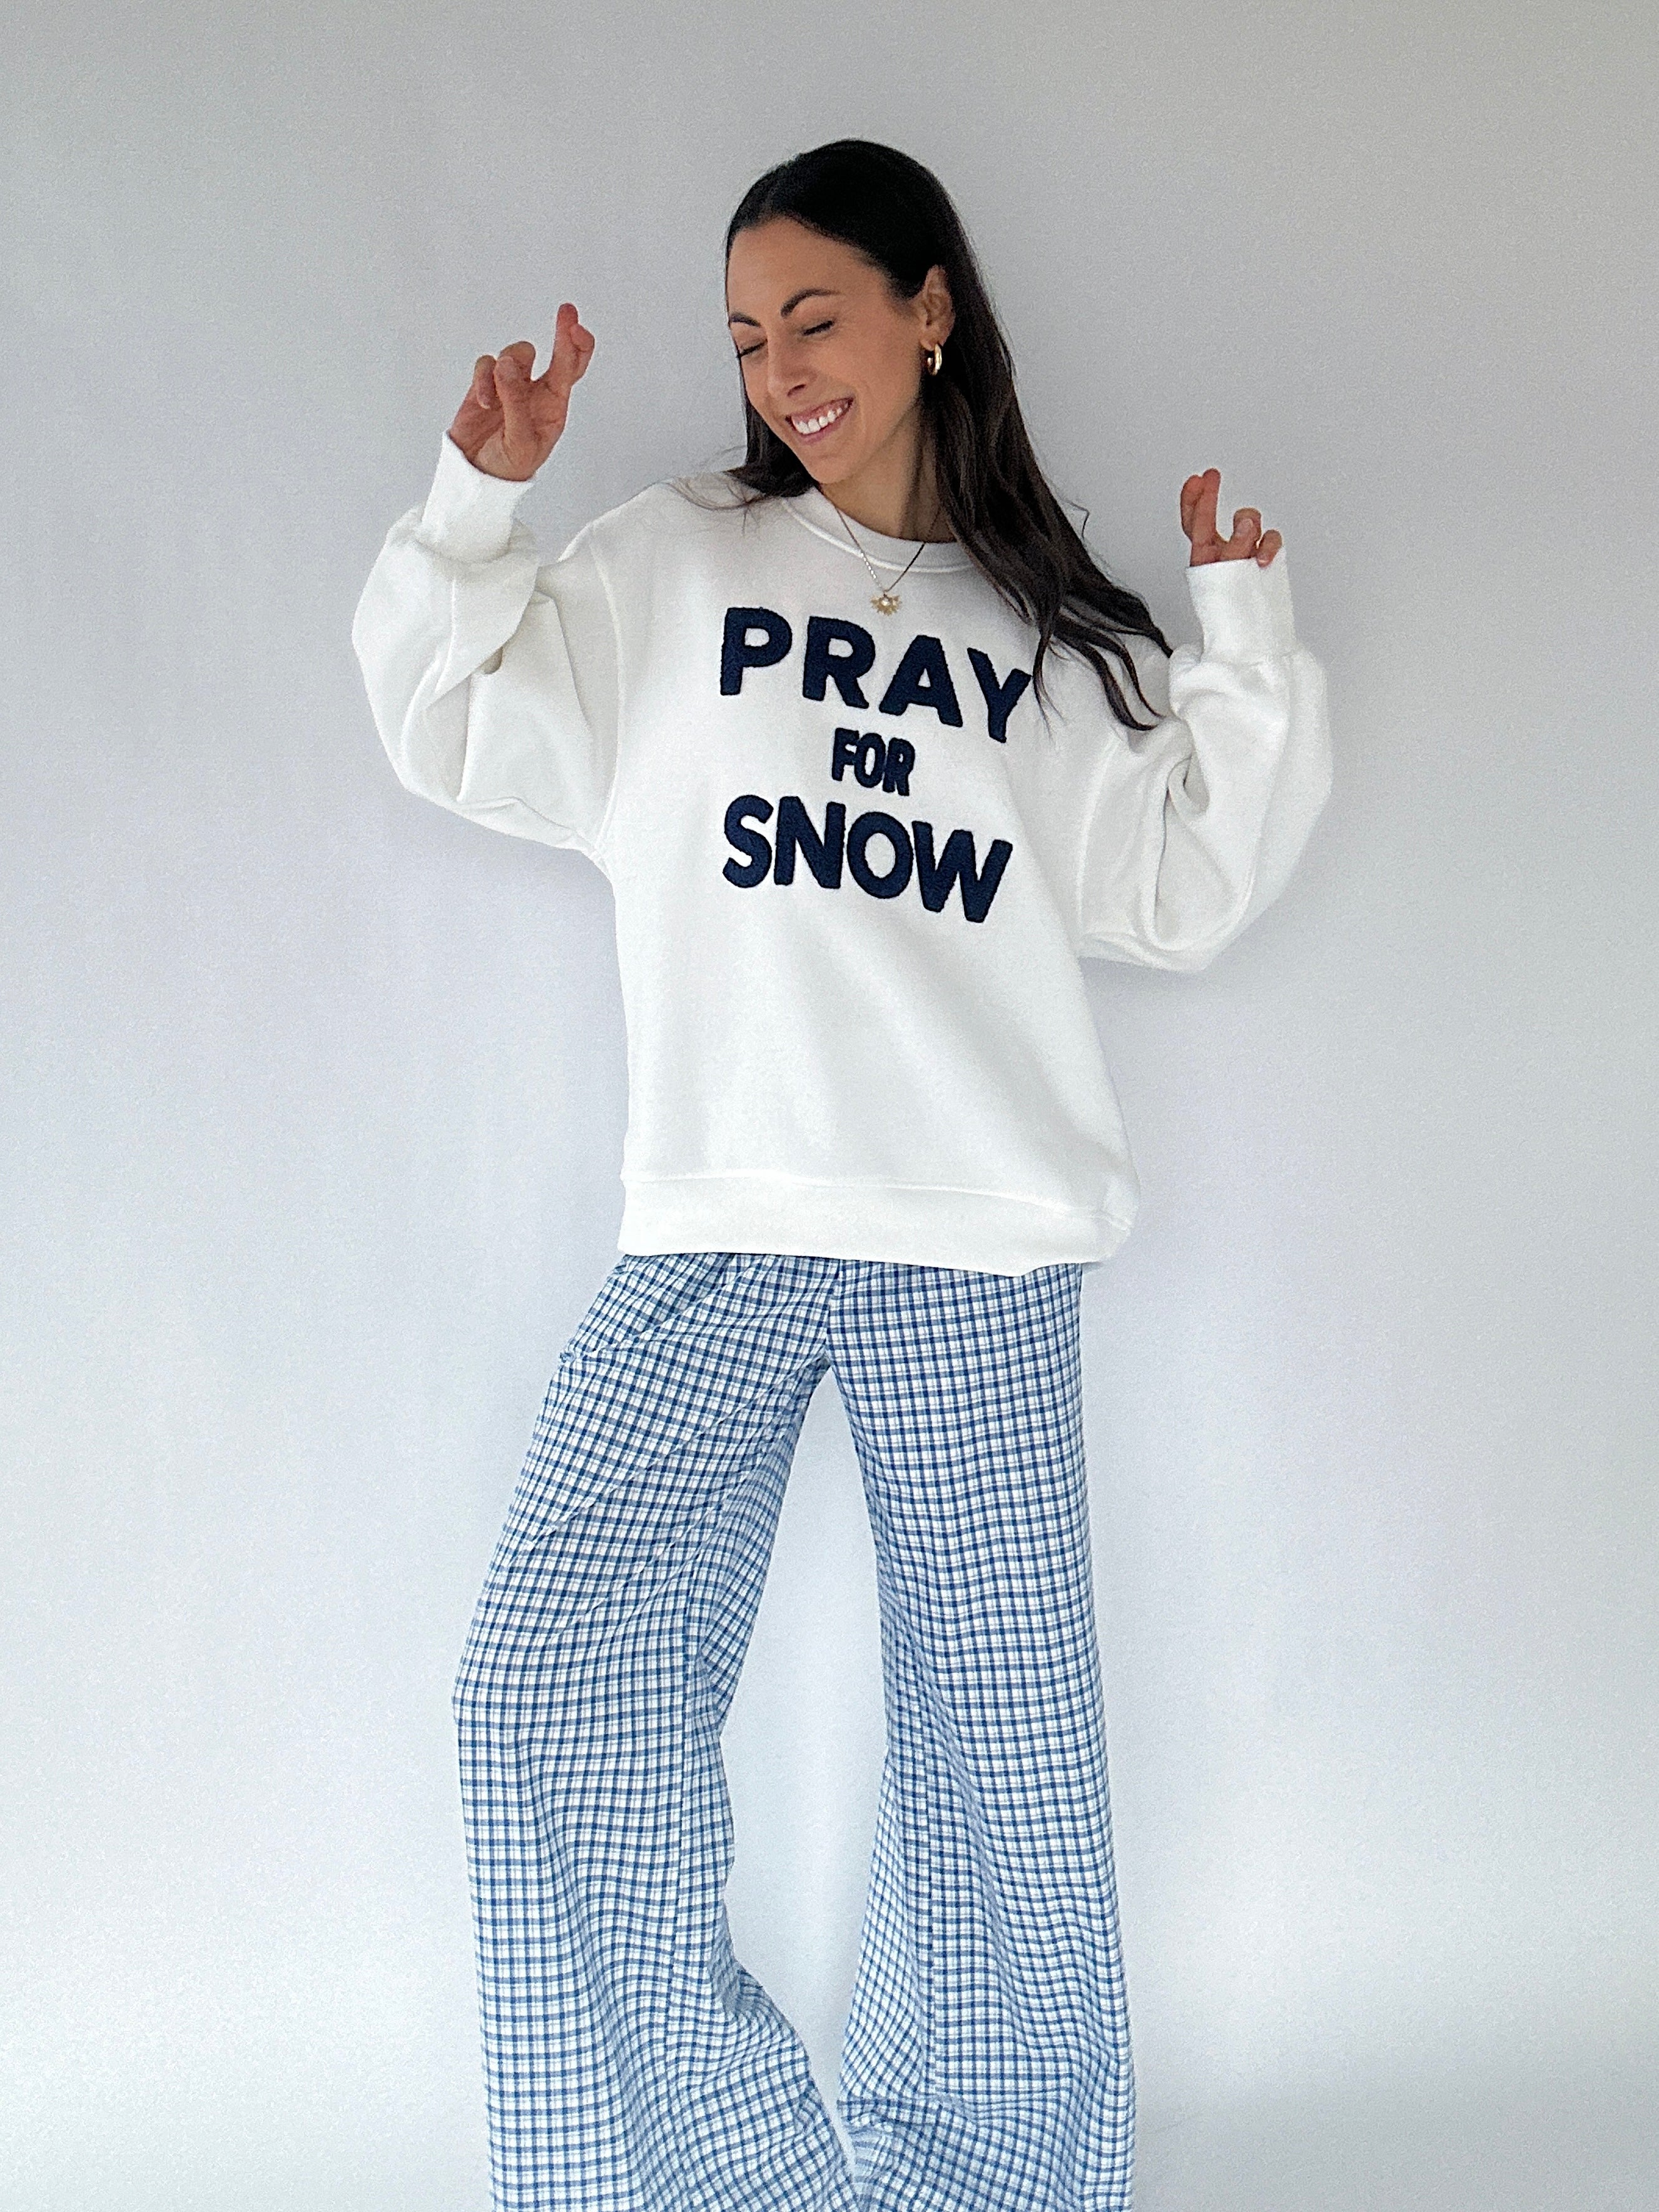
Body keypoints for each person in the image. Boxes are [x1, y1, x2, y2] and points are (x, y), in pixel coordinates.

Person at [352, 136, 1331, 2212]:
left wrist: (1239, 639)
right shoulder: (667, 563)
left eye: (815, 317)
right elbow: (451, 722)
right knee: (543, 1691)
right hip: (720, 1221)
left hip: (978, 1235)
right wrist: (475, 507)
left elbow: (1181, 888)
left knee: (1000, 1769)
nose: (781, 369)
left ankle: (988, 2178)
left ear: (929, 309)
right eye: (744, 337)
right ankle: (697, 2175)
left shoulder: (1044, 633)